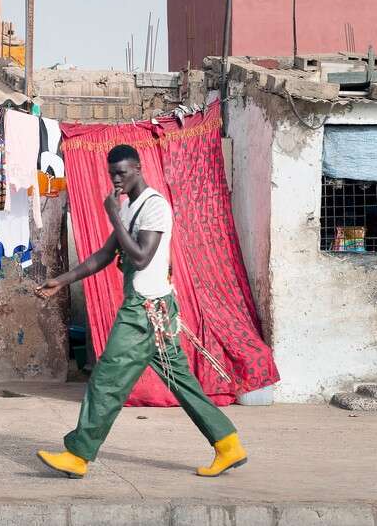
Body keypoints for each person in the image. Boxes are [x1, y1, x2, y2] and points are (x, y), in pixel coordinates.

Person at [34, 144, 246, 479]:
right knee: (181, 382)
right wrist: (61, 280)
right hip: (156, 308)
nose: (116, 179)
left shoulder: (153, 207)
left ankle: (78, 455)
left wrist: (113, 215)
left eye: (122, 172)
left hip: (143, 311)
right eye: (112, 174)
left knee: (105, 381)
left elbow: (141, 257)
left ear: (138, 167)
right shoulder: (130, 208)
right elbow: (104, 255)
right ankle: (228, 443)